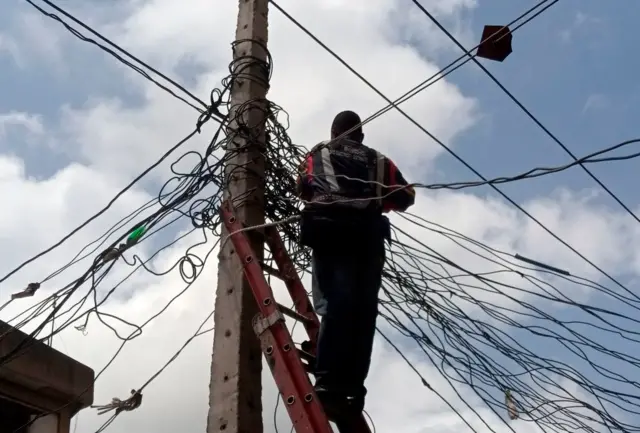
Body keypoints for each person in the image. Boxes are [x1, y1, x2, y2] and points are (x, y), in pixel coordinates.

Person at [296, 110, 416, 422]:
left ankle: (327, 383)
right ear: (361, 136)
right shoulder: (380, 161)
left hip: (329, 236)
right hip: (366, 241)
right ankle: (352, 389)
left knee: (333, 306)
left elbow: (303, 188)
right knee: (364, 314)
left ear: (334, 132)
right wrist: (374, 199)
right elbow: (406, 197)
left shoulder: (317, 154)